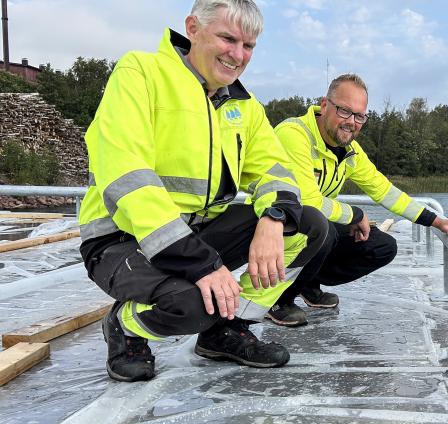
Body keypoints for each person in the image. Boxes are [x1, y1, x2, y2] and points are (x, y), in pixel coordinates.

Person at [78, 0, 328, 382]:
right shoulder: (141, 72)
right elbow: (128, 177)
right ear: (192, 27)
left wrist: (274, 218)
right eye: (228, 38)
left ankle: (224, 331)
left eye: (248, 47)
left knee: (309, 225)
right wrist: (204, 265)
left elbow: (276, 173)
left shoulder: (245, 107)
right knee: (194, 304)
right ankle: (125, 326)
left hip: (195, 235)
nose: (237, 55)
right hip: (122, 239)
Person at [268, 73, 448, 326]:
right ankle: (279, 298)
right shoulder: (294, 135)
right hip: (275, 226)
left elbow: (384, 190)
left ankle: (307, 282)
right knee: (323, 229)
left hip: (311, 228)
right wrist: (355, 215)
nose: (351, 122)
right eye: (344, 111)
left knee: (382, 246)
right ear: (324, 105)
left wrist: (436, 221)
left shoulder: (349, 151)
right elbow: (307, 202)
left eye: (359, 116)